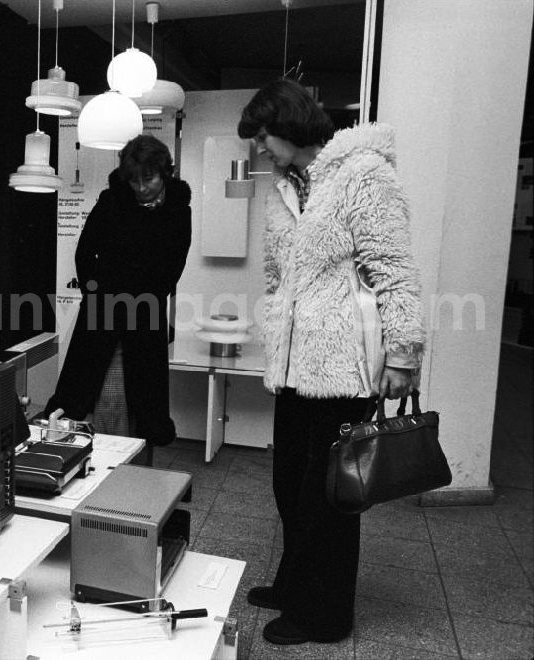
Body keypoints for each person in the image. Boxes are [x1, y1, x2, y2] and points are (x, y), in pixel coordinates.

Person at [236, 79, 425, 645]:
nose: (260, 148)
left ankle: (324, 616)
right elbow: (278, 277)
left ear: (289, 128)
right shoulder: (286, 187)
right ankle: (296, 584)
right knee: (290, 483)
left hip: (344, 366)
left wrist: (403, 353)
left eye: (264, 136)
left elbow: (395, 269)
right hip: (297, 365)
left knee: (330, 496)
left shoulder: (363, 175)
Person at [44, 134, 191, 465]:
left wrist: (147, 298)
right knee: (97, 391)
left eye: (148, 179)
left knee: (143, 397)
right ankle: (94, 462)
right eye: (134, 180)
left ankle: (135, 468)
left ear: (165, 173)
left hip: (145, 313)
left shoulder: (178, 211)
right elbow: (85, 252)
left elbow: (173, 266)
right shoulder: (112, 201)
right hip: (103, 310)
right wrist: (95, 291)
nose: (141, 187)